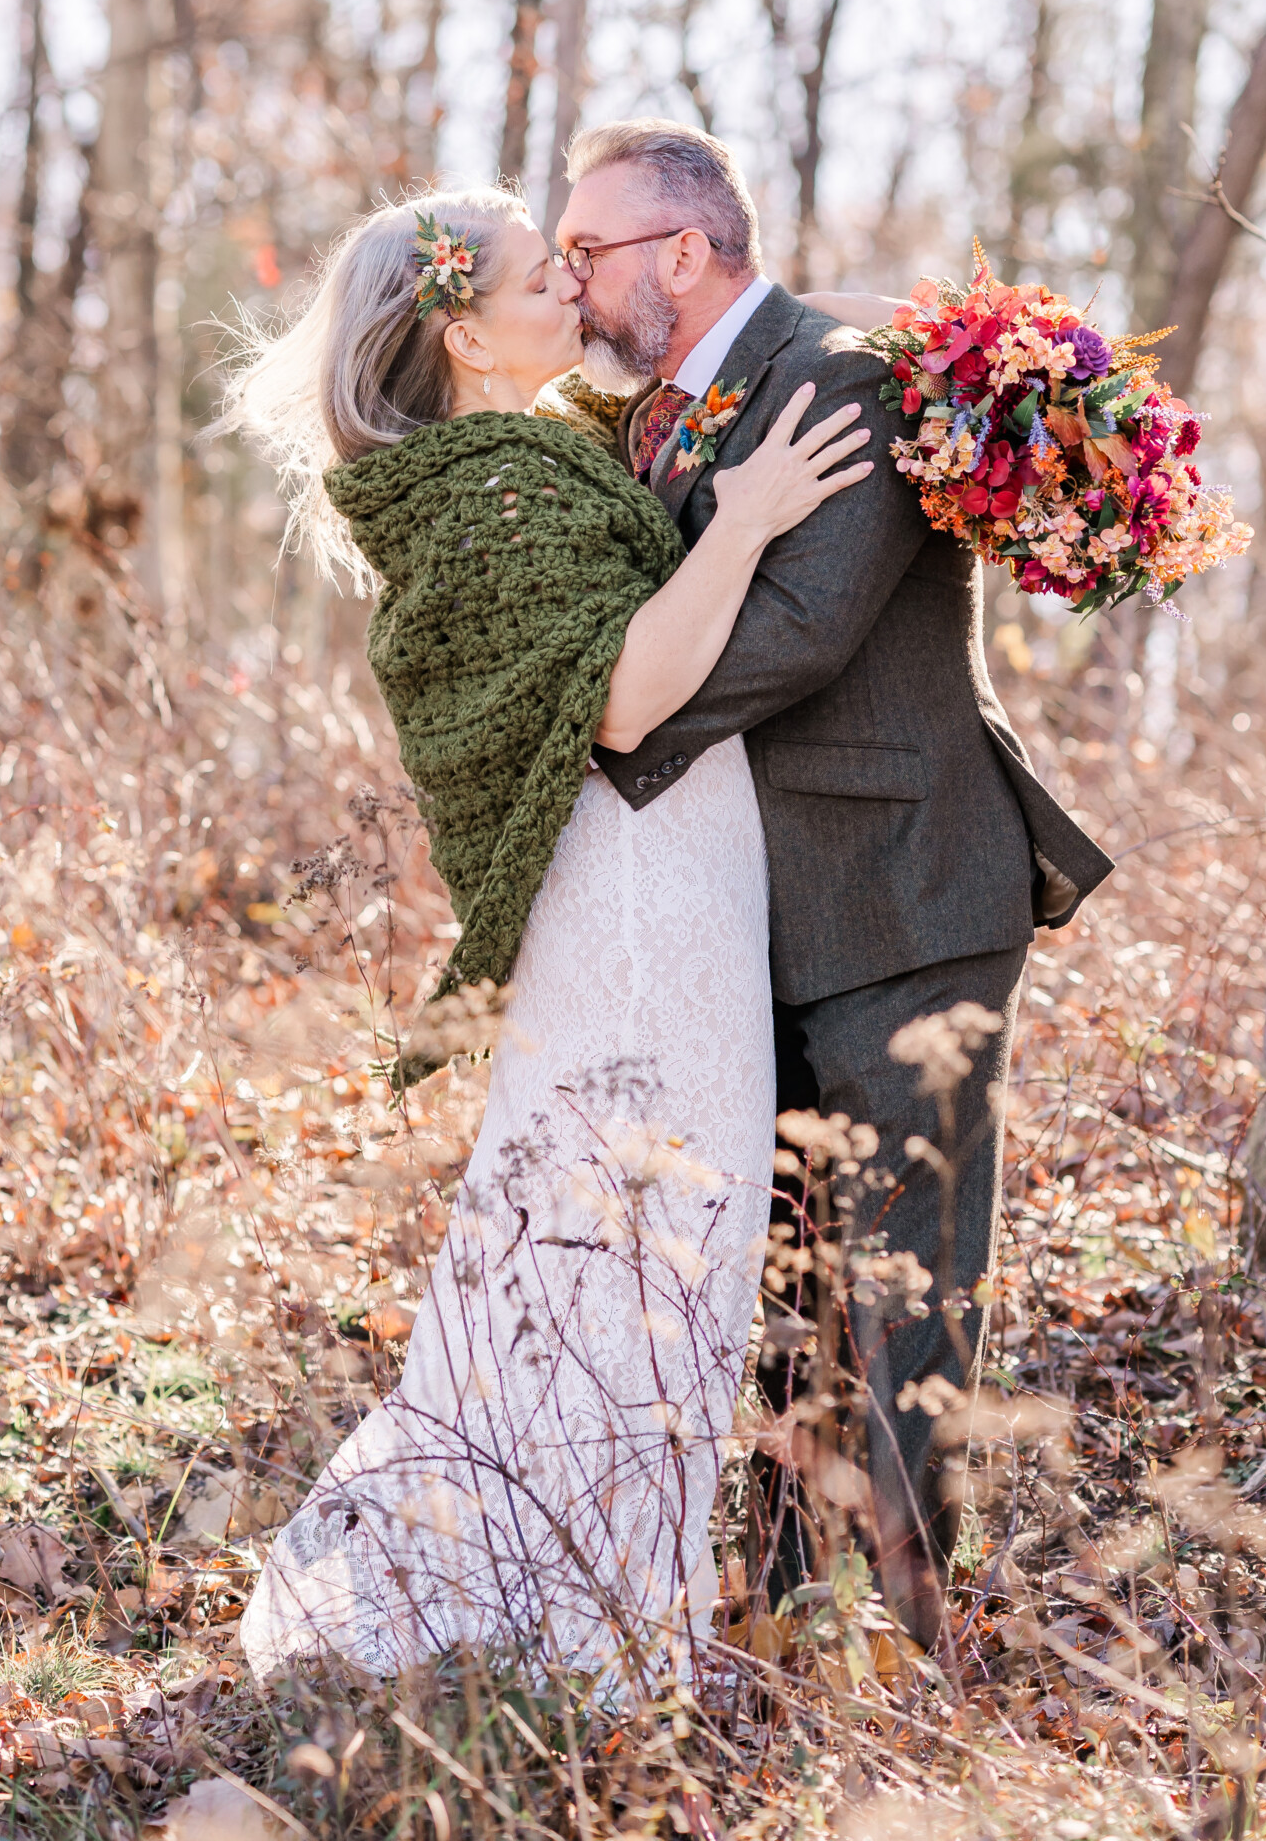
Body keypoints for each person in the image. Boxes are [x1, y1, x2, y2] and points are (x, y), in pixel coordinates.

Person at [224, 188, 871, 1686]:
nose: (577, 297)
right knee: (635, 1253)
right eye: (543, 279)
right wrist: (757, 519)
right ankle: (565, 1633)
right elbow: (628, 696)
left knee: (649, 1253)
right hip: (636, 900)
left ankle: (580, 1610)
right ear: (465, 331)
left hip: (675, 879)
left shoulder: (545, 449)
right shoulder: (488, 487)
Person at [556, 119, 1113, 1650]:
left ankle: (930, 1635)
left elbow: (798, 631)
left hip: (910, 897)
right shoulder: (659, 417)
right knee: (789, 1281)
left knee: (913, 1289)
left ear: (684, 248)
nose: (568, 280)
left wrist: (596, 736)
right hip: (762, 919)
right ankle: (791, 1613)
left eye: (585, 249)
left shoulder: (841, 377)